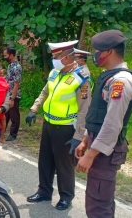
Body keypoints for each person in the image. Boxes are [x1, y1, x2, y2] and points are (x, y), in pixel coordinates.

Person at [75, 30, 132, 218]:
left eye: (97, 51)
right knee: (97, 199)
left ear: (108, 51)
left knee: (98, 206)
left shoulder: (121, 81)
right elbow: (98, 115)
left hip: (105, 151)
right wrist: (86, 139)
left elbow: (112, 124)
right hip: (98, 143)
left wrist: (91, 154)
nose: (95, 55)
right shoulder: (109, 76)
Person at [25, 40, 91, 210]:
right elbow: (45, 91)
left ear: (69, 57)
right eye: (54, 56)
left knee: (64, 165)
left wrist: (78, 136)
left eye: (58, 56)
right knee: (45, 161)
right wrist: (34, 108)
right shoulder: (55, 72)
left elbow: (85, 110)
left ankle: (66, 197)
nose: (55, 60)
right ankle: (44, 191)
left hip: (66, 128)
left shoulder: (81, 78)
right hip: (48, 124)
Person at [3, 47, 22, 141]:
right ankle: (2, 132)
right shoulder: (10, 66)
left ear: (11, 55)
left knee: (14, 116)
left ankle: (13, 134)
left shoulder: (17, 67)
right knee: (6, 115)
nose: (4, 57)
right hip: (8, 94)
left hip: (14, 95)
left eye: (6, 55)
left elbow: (16, 84)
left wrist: (12, 98)